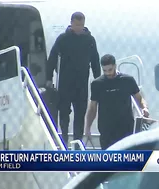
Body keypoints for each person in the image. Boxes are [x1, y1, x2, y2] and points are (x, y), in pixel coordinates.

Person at [46, 12, 101, 147]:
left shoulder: (89, 40)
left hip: (81, 83)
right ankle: (63, 138)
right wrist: (48, 77)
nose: (79, 28)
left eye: (81, 25)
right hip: (65, 81)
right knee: (64, 111)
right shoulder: (63, 39)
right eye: (77, 25)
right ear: (71, 23)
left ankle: (77, 142)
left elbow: (95, 60)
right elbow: (52, 58)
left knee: (80, 113)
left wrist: (98, 79)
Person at [84, 54, 149, 150]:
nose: (107, 73)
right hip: (106, 130)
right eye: (104, 70)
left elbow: (139, 98)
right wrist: (87, 127)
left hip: (126, 128)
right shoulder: (97, 84)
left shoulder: (127, 80)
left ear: (115, 66)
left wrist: (144, 107)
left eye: (110, 70)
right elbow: (92, 108)